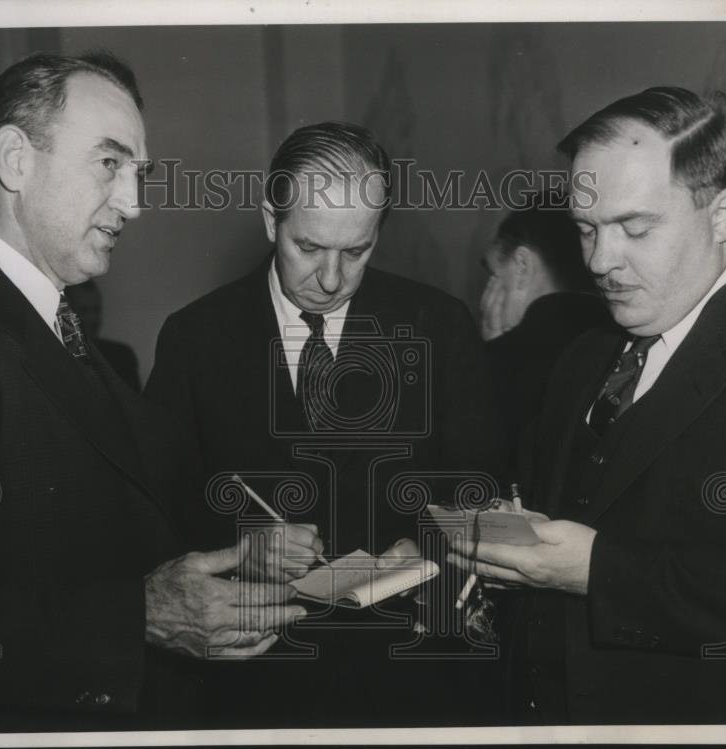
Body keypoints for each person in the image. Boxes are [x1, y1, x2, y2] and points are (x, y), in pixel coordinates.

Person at [0, 51, 303, 733]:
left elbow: (121, 474)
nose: (135, 204)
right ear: (16, 159)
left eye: (141, 174)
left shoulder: (43, 312)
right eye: (109, 163)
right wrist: (143, 614)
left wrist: (242, 537)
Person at [451, 87, 726, 724]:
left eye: (634, 228)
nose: (599, 261)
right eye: (586, 229)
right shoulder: (584, 355)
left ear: (722, 214)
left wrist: (598, 571)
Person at [145, 121, 508, 726]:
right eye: (309, 248)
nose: (332, 279)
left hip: (411, 680)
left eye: (356, 251)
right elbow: (157, 512)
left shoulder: (438, 325)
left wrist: (427, 550)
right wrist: (240, 550)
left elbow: (483, 491)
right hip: (258, 687)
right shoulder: (195, 338)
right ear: (270, 222)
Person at [480, 196, 613, 453]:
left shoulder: (491, 368)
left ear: (522, 266)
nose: (485, 296)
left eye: (494, 276)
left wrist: (489, 361)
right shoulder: (625, 359)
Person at [65, 279, 142, 390]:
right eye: (84, 311)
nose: (93, 318)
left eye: (97, 310)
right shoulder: (58, 357)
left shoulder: (122, 357)